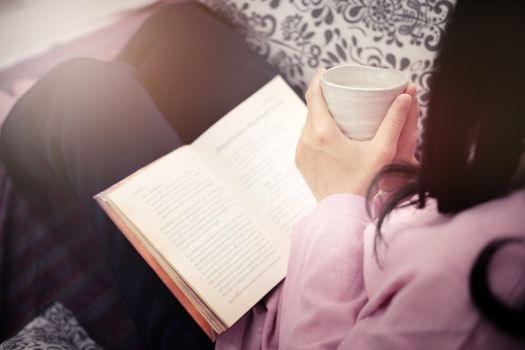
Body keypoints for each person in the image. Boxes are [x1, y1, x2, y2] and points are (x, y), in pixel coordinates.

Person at [1, 1, 524, 350]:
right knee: (181, 36)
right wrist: (394, 187)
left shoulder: (478, 295)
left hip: (260, 325)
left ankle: (24, 170)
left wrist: (341, 198)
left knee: (81, 95)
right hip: (354, 236)